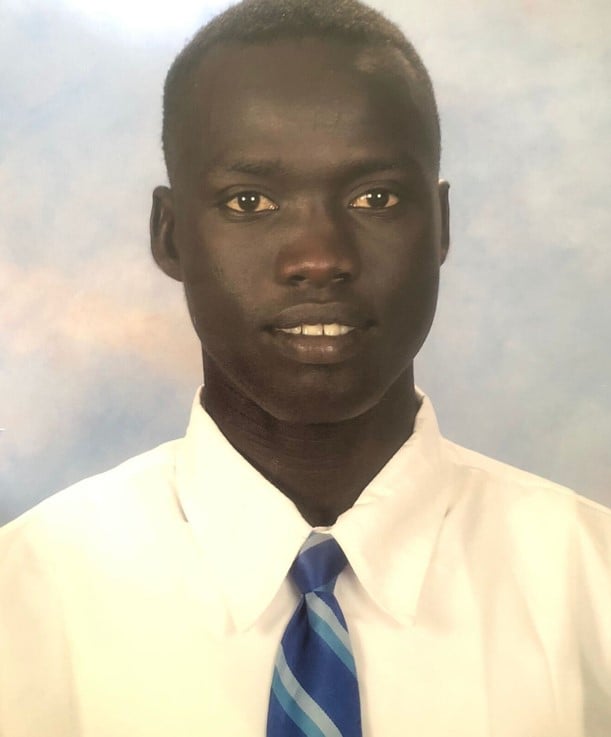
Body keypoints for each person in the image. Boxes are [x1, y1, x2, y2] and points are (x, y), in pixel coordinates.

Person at [1, 1, 609, 735]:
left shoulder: (591, 585)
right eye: (249, 200)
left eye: (374, 197)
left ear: (440, 226)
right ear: (169, 236)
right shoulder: (24, 598)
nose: (319, 256)